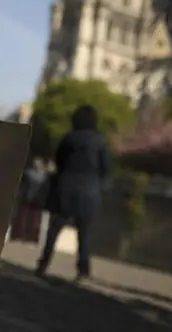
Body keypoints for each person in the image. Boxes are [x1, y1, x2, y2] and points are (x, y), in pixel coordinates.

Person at [35, 104, 111, 282]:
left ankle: (43, 263)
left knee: (55, 228)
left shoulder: (69, 138)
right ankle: (83, 271)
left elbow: (59, 162)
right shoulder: (100, 141)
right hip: (90, 190)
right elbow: (106, 167)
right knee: (84, 232)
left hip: (67, 187)